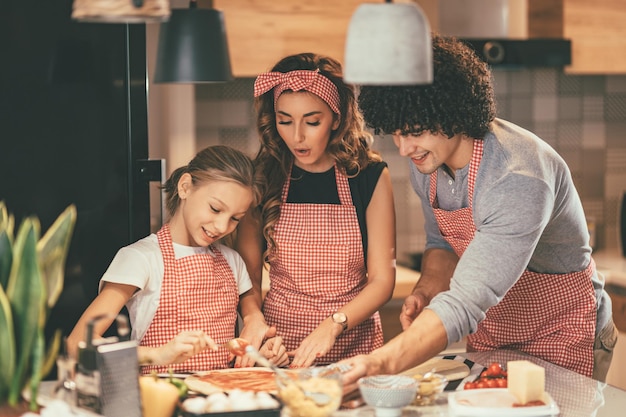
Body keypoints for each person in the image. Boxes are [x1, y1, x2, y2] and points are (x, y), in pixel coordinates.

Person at [339, 34, 617, 391]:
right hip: (496, 331)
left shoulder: (517, 176)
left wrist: (381, 362)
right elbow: (441, 241)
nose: (404, 148)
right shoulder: (428, 160)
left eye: (415, 132)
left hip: (562, 332)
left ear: (452, 113)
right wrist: (426, 291)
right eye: (396, 133)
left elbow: (466, 302)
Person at [234, 52, 396, 368]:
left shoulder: (370, 177)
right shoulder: (261, 179)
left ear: (336, 119)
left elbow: (382, 281)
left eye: (312, 121)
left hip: (354, 351)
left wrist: (333, 323)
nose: (297, 136)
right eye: (285, 120)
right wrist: (254, 320)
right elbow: (248, 280)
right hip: (280, 350)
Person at [67, 145, 287, 373]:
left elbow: (251, 319)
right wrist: (158, 354)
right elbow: (78, 345)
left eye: (235, 219)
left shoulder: (233, 261)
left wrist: (260, 352)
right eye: (215, 208)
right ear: (185, 187)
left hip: (218, 399)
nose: (222, 227)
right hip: (160, 399)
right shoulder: (141, 258)